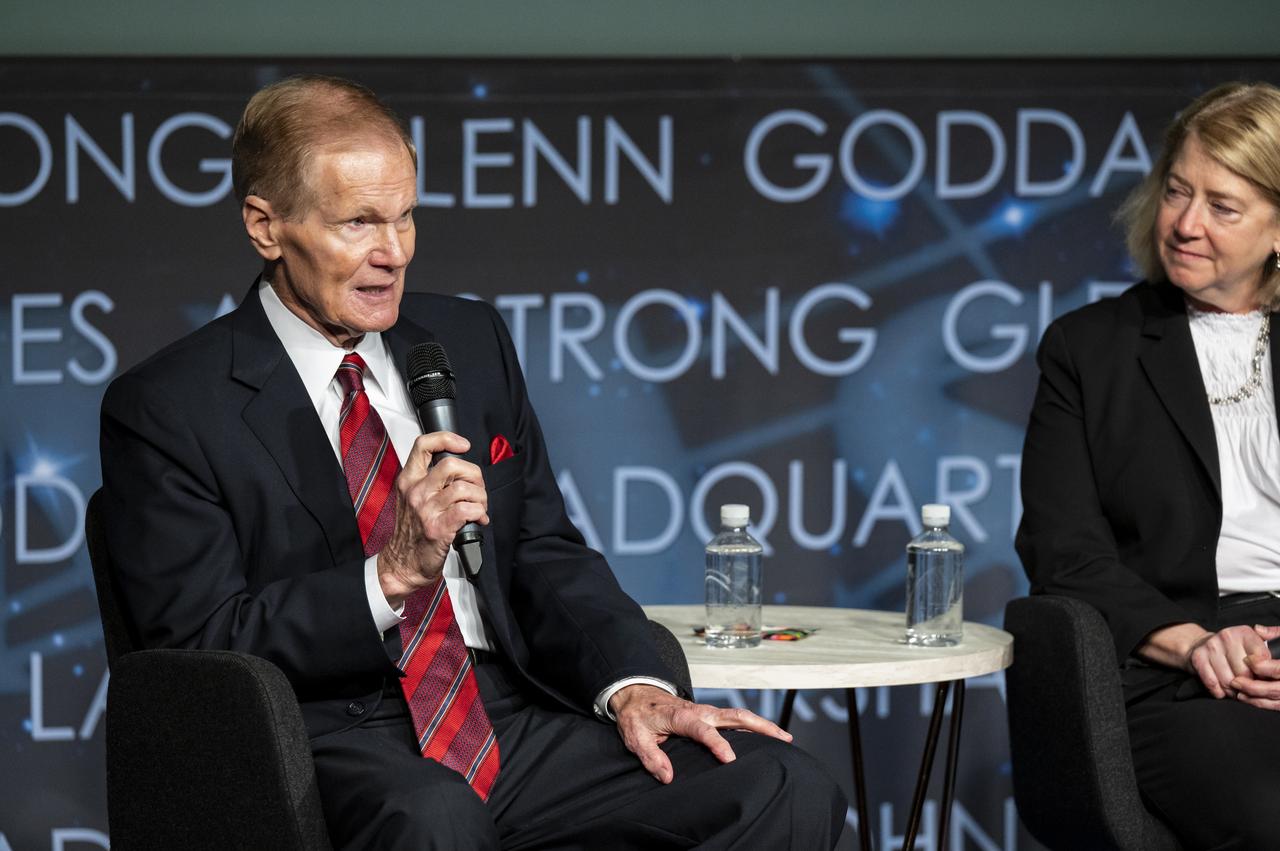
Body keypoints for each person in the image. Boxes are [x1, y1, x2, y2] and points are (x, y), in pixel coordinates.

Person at [99, 74, 847, 850]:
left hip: (511, 714)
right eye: (358, 222)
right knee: (437, 817)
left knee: (784, 785)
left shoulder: (467, 342)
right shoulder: (170, 407)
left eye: (405, 216)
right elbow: (204, 643)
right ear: (265, 225)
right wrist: (389, 574)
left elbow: (544, 551)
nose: (393, 253)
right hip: (332, 737)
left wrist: (635, 685)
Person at [1016, 81, 1280, 848]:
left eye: (1223, 207)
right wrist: (1194, 640)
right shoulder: (1090, 349)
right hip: (1179, 673)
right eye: (1176, 191)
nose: (1186, 224)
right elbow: (1064, 553)